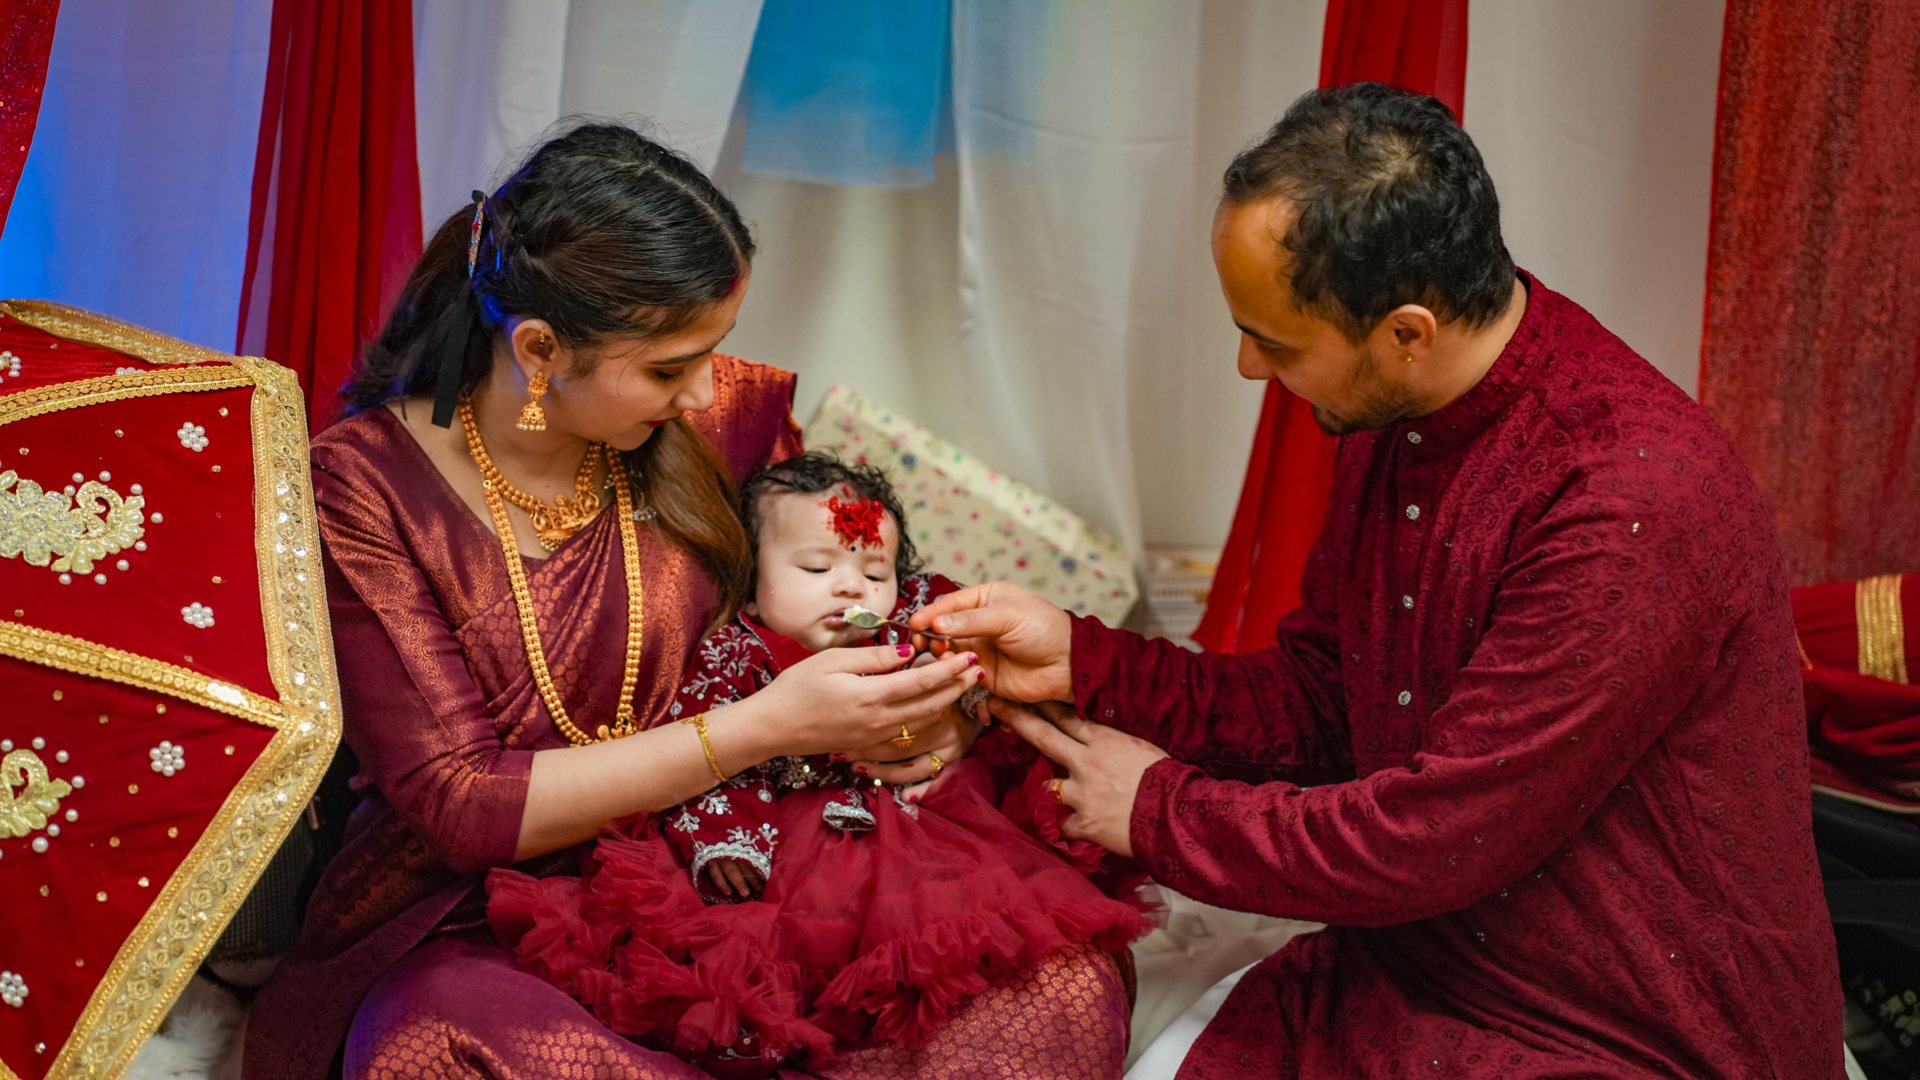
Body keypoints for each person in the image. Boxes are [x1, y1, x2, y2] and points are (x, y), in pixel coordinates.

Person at [912, 84, 1846, 1079]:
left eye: (1275, 342)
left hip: (1631, 1028)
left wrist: (1156, 810)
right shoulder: (1398, 415)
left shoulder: (1626, 500)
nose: (1247, 366)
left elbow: (1439, 835)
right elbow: (1327, 703)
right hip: (1428, 959)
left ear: (1406, 332)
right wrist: (1085, 659)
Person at [243, 123, 1134, 1080]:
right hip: (495, 919)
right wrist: (765, 725)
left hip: (773, 869)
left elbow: (843, 593)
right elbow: (461, 805)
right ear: (539, 349)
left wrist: (928, 706)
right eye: (669, 368)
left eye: (714, 353)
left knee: (1058, 993)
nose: (706, 391)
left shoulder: (726, 421)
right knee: (430, 1051)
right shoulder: (362, 489)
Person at [487, 451, 1151, 1077]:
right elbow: (705, 748)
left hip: (926, 830)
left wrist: (963, 694)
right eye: (815, 568)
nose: (850, 585)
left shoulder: (909, 632)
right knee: (771, 974)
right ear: (752, 587)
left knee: (985, 948)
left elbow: (977, 672)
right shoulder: (739, 654)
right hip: (790, 841)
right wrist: (729, 840)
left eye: (875, 574)